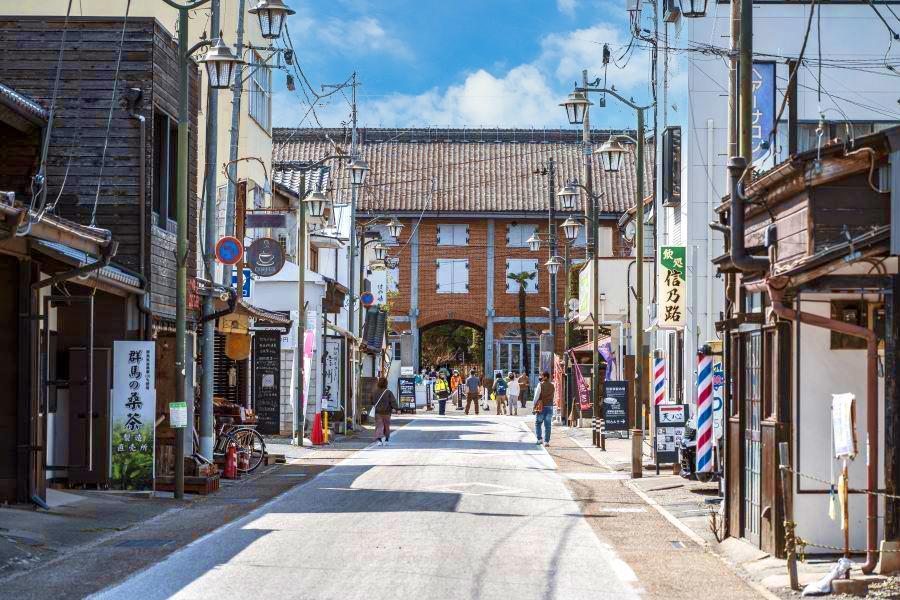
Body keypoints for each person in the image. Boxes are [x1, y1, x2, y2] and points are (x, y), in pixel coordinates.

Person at [372, 377, 399, 446]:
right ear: (386, 383)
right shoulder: (388, 392)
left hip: (378, 412)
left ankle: (379, 441)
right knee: (386, 426)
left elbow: (371, 402)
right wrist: (397, 409)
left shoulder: (374, 392)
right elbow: (393, 401)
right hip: (387, 412)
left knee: (379, 426)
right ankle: (386, 440)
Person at [533, 371, 555, 447]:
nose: (540, 377)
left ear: (545, 377)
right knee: (548, 425)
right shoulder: (553, 385)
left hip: (541, 406)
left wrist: (534, 405)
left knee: (538, 423)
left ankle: (539, 439)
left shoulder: (540, 385)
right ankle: (546, 441)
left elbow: (536, 396)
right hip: (550, 407)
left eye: (541, 376)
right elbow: (554, 397)